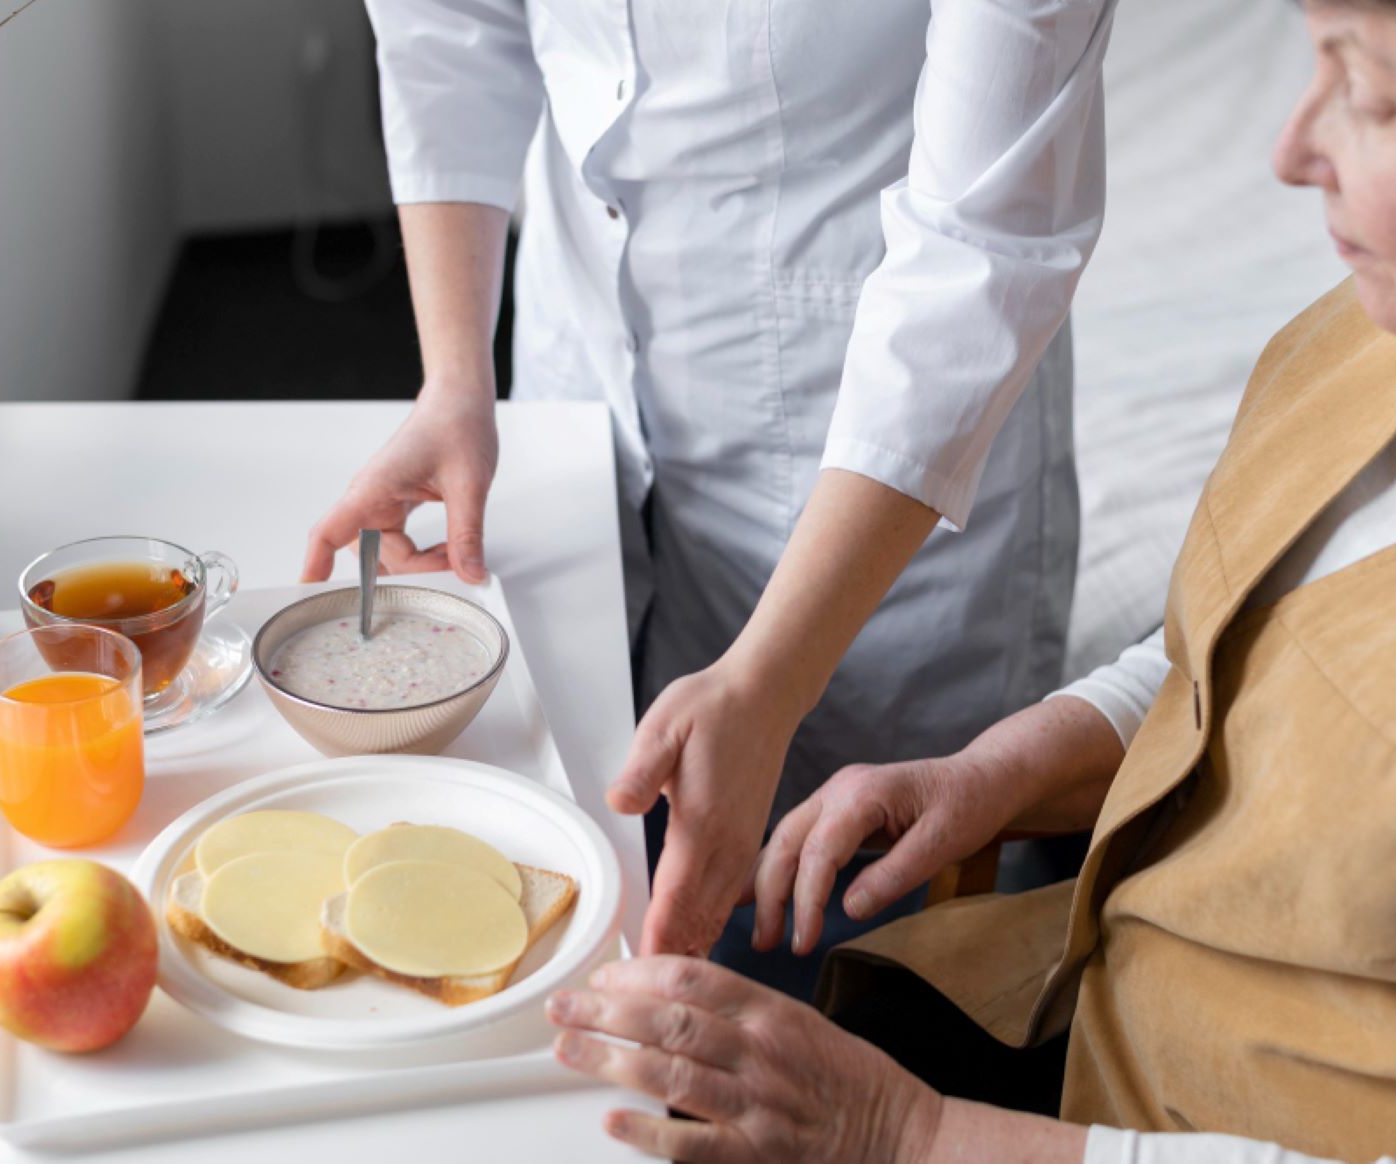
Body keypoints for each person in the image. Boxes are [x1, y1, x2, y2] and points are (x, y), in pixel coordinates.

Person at [544, 0, 1396, 1159]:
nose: (1290, 150)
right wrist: (1002, 772)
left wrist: (901, 1131)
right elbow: (1242, 644)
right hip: (1091, 1030)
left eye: (1371, 92)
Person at [301, 0, 1118, 972]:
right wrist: (454, 382)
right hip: (578, 392)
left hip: (869, 484)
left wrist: (769, 682)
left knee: (836, 976)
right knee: (563, 904)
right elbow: (452, 28)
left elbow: (981, 245)